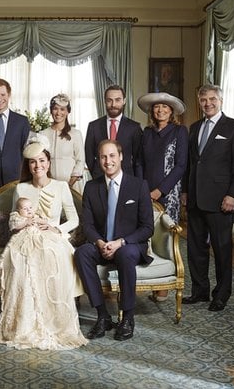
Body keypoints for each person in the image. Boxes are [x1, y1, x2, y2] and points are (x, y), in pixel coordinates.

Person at [0, 136, 87, 350]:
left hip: (53, 235)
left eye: (42, 160)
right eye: (33, 162)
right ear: (28, 165)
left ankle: (53, 324)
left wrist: (56, 228)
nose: (38, 166)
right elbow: (13, 220)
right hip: (26, 235)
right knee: (22, 261)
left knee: (51, 256)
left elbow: (74, 219)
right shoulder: (21, 188)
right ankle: (25, 325)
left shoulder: (61, 187)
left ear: (48, 163)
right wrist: (23, 224)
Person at [74, 139, 153, 341]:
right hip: (102, 244)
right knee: (82, 253)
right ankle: (102, 315)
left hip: (128, 245)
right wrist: (100, 243)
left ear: (121, 157)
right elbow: (88, 225)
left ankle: (127, 317)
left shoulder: (138, 185)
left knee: (126, 254)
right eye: (103, 157)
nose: (108, 161)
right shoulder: (91, 187)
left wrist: (120, 242)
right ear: (98, 160)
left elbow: (147, 228)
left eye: (111, 156)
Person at [182, 84, 234, 312]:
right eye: (203, 100)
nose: (207, 103)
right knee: (195, 248)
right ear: (199, 102)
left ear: (220, 100)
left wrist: (233, 194)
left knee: (221, 249)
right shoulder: (194, 127)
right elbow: (191, 164)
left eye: (212, 99)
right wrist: (185, 191)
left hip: (221, 200)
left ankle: (221, 294)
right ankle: (200, 291)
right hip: (195, 198)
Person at [137, 92, 188, 302]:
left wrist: (160, 191)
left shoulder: (179, 131)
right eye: (157, 107)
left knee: (166, 237)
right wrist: (142, 189)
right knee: (146, 235)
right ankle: (150, 277)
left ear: (171, 111)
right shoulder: (146, 133)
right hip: (145, 192)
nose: (160, 110)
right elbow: (139, 162)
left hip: (169, 193)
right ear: (152, 110)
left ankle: (164, 285)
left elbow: (181, 165)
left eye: (165, 107)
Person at [85, 85, 142, 180]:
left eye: (117, 100)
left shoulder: (134, 127)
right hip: (100, 179)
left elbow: (138, 159)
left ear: (124, 101)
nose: (113, 104)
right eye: (109, 100)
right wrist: (97, 173)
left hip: (126, 179)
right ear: (104, 101)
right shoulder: (93, 126)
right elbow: (89, 155)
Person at [40, 93, 85, 193]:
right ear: (51, 110)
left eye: (62, 109)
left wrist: (69, 184)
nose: (58, 112)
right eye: (55, 108)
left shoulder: (75, 134)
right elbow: (40, 161)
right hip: (48, 186)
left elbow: (80, 161)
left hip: (72, 185)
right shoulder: (43, 134)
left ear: (68, 111)